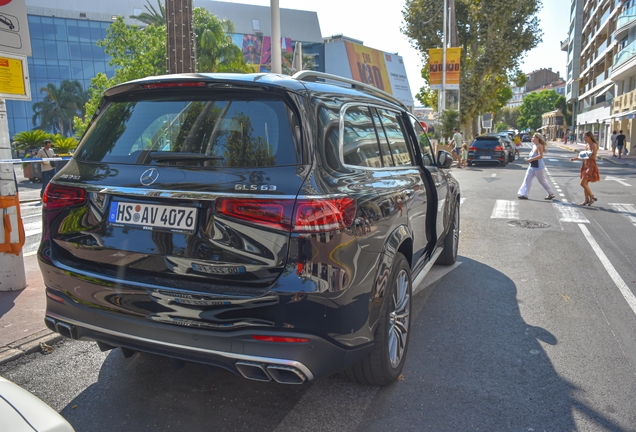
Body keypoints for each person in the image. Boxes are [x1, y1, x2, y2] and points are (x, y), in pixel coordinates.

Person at [517, 133, 554, 200]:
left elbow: (540, 156)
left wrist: (531, 159)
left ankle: (550, 193)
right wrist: (529, 159)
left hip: (538, 167)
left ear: (538, 138)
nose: (532, 138)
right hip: (532, 165)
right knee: (527, 179)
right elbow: (534, 155)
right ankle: (525, 194)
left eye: (534, 137)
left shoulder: (539, 146)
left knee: (541, 180)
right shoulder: (534, 146)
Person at [570, 131, 600, 206]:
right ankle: (586, 200)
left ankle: (592, 197)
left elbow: (593, 156)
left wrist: (586, 157)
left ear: (590, 136)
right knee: (585, 183)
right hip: (585, 165)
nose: (584, 138)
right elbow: (583, 156)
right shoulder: (587, 145)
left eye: (585, 137)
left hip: (591, 166)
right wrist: (575, 159)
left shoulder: (594, 145)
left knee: (582, 183)